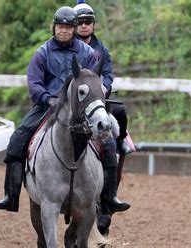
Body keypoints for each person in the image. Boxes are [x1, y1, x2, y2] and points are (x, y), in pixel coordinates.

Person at [0, 6, 111, 213]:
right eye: (60, 27)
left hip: (81, 108)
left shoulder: (89, 53)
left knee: (108, 142)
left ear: (74, 29)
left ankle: (110, 198)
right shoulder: (42, 53)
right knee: (17, 140)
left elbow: (93, 81)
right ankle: (11, 196)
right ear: (53, 28)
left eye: (68, 27)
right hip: (48, 106)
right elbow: (35, 84)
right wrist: (48, 99)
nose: (63, 31)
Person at [73, 0, 131, 231]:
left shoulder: (101, 48)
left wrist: (102, 88)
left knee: (119, 111)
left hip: (98, 99)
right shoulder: (67, 46)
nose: (85, 26)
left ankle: (120, 144)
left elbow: (108, 74)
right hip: (75, 102)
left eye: (88, 22)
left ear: (93, 25)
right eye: (81, 22)